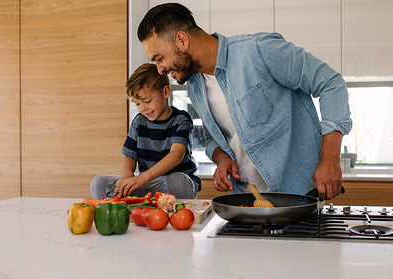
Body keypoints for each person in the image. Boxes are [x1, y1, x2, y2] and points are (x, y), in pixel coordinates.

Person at [137, 3, 352, 200]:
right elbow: (215, 137)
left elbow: (330, 83)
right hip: (247, 199)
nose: (160, 69)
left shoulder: (259, 51)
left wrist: (330, 160)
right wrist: (221, 158)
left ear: (182, 40)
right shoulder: (195, 86)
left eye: (159, 58)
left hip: (298, 195)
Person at [90, 63, 201, 199]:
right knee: (98, 183)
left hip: (171, 183)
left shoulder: (181, 119)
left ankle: (149, 199)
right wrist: (127, 178)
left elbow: (176, 155)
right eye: (137, 103)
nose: (142, 108)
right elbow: (129, 156)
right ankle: (142, 200)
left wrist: (142, 178)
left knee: (178, 182)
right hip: (148, 184)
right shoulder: (139, 121)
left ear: (166, 92)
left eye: (147, 101)